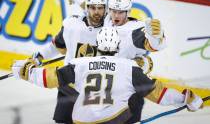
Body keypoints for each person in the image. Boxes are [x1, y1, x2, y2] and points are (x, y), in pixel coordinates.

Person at [12, 27, 203, 124]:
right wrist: (186, 98)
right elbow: (158, 94)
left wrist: (26, 71)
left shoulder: (79, 64)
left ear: (99, 45)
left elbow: (50, 79)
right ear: (117, 47)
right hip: (113, 121)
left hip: (81, 120)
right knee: (132, 101)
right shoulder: (129, 68)